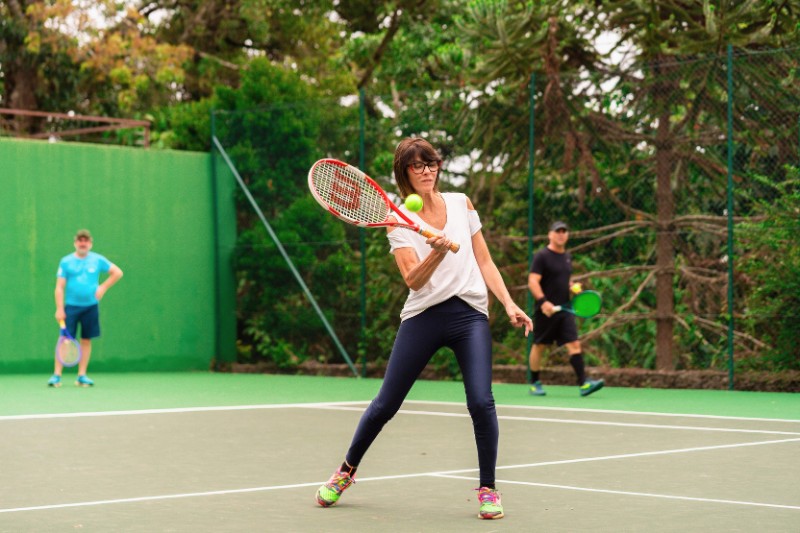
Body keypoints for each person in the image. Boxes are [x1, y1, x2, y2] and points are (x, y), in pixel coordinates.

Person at [314, 138, 532, 520]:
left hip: (469, 316)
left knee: (482, 401)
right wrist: (437, 249)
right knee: (386, 404)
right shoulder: (397, 220)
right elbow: (413, 280)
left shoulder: (462, 203)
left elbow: (484, 260)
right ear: (405, 174)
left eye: (431, 163)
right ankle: (345, 471)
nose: (427, 170)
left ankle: (488, 489)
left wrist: (509, 303)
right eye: (418, 166)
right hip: (424, 317)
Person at [527, 221, 604, 397]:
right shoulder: (542, 256)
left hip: (564, 311)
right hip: (546, 311)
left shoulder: (566, 257)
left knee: (575, 344)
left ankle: (583, 383)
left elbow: (561, 280)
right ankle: (534, 382)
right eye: (557, 231)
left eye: (564, 231)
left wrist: (572, 287)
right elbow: (533, 281)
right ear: (550, 234)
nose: (561, 234)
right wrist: (543, 302)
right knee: (539, 346)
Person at [48, 229, 123, 388]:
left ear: (90, 243)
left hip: (90, 307)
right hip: (71, 308)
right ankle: (57, 375)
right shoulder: (66, 262)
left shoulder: (97, 260)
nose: (83, 243)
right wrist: (59, 308)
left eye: (86, 241)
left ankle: (81, 376)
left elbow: (117, 272)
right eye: (80, 240)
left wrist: (103, 287)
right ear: (75, 243)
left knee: (86, 340)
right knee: (65, 340)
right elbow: (59, 287)